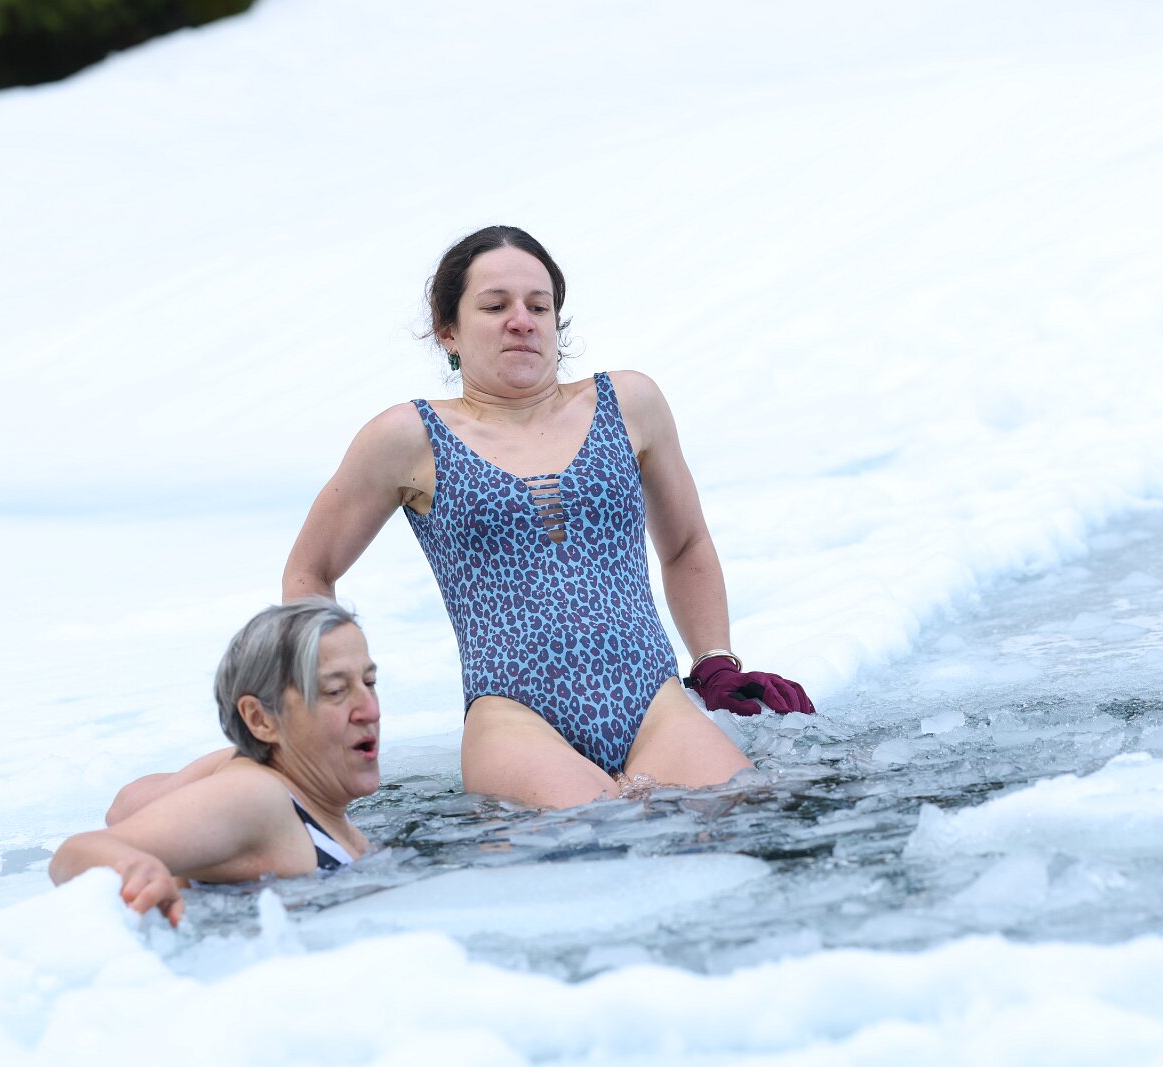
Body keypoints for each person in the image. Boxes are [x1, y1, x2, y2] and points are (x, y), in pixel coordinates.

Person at [283, 225, 813, 810]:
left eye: (539, 306)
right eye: (495, 306)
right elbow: (310, 572)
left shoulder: (630, 403)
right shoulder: (407, 437)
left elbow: (685, 543)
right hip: (514, 720)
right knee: (590, 837)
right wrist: (330, 695)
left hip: (655, 705)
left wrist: (714, 660)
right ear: (448, 331)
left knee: (749, 814)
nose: (522, 321)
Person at [49, 598, 380, 926]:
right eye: (335, 691)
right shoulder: (256, 795)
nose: (371, 710)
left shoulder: (294, 793)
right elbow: (76, 852)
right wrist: (134, 867)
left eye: (369, 683)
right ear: (260, 719)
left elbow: (126, 804)